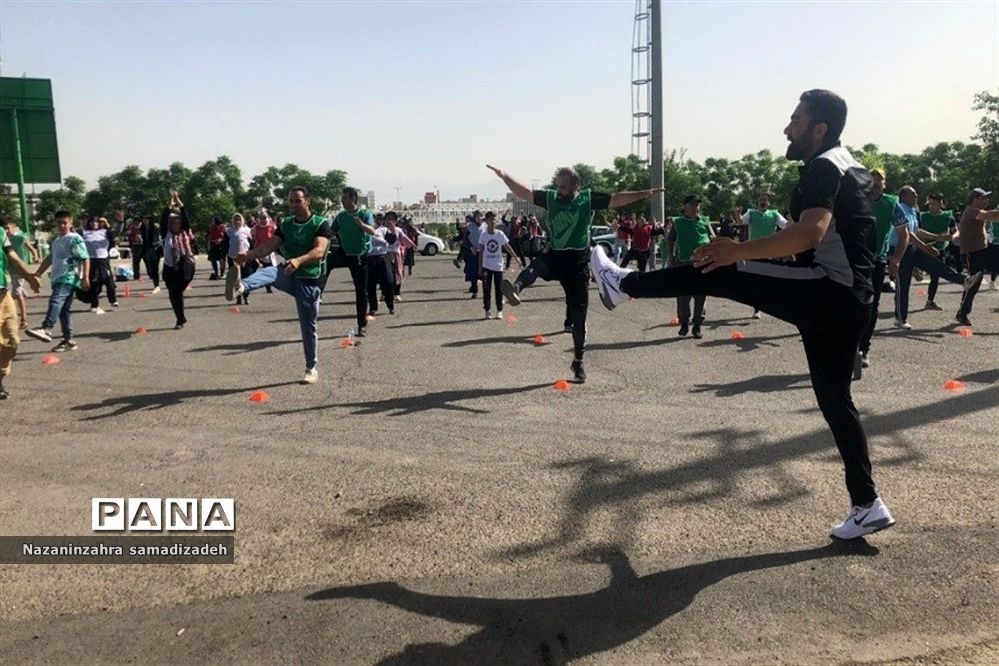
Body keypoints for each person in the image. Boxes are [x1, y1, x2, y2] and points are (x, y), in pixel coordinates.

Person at [590, 89, 895, 539]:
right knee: (836, 401)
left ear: (819, 129)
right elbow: (834, 234)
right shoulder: (853, 167)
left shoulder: (823, 167)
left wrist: (740, 250)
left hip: (829, 290)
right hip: (853, 303)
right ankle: (867, 504)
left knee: (722, 269)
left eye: (795, 120)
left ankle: (624, 286)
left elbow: (811, 233)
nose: (787, 128)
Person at [486, 163, 661, 383]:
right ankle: (516, 289)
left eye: (564, 187)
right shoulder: (551, 198)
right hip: (556, 256)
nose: (559, 190)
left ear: (575, 186)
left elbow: (616, 199)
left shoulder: (586, 199)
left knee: (579, 317)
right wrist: (504, 176)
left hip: (578, 263)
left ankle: (578, 361)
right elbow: (525, 193)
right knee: (539, 264)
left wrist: (644, 193)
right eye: (557, 185)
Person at [227, 186, 331, 384]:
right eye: (291, 201)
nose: (293, 204)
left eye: (297, 201)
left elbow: (319, 251)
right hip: (289, 273)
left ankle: (311, 368)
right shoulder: (286, 224)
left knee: (308, 326)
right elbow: (268, 247)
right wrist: (248, 255)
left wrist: (298, 260)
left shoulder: (320, 223)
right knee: (271, 272)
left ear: (307, 201)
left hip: (310, 280)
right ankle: (241, 287)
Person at [887, 186, 981, 329]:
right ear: (904, 196)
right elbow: (907, 234)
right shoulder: (900, 209)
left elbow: (917, 231)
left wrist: (936, 237)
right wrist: (925, 247)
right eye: (913, 194)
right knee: (903, 285)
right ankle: (900, 319)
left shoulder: (912, 211)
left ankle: (963, 281)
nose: (917, 196)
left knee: (935, 265)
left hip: (912, 248)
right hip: (900, 249)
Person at [25, 210, 91, 353]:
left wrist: (85, 277)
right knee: (63, 310)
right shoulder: (56, 241)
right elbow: (49, 259)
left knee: (55, 300)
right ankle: (69, 340)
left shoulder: (74, 238)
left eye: (64, 223)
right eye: (59, 223)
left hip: (68, 276)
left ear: (70, 223)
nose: (61, 226)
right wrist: (37, 274)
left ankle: (46, 328)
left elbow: (85, 257)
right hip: (57, 278)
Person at [857, 168, 898, 368]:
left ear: (884, 184)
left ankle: (864, 348)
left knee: (871, 305)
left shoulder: (892, 203)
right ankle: (850, 345)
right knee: (852, 302)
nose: (874, 184)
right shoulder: (857, 199)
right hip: (856, 258)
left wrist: (896, 259)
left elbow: (904, 233)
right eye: (871, 180)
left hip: (878, 260)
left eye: (878, 181)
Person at [0, 221, 42, 399]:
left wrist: (30, 277)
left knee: (12, 342)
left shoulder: (1, 232)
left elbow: (14, 258)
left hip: (3, 295)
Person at [330, 187, 376, 337]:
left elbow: (372, 231)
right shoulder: (341, 217)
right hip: (345, 253)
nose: (342, 201)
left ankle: (361, 324)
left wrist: (361, 225)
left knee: (360, 290)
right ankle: (317, 290)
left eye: (345, 198)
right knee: (327, 261)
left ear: (353, 199)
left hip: (360, 256)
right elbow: (331, 232)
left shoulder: (364, 214)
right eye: (342, 199)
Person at [669, 195, 714, 338]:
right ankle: (684, 324)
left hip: (703, 263)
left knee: (701, 296)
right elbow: (670, 240)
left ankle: (697, 326)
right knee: (683, 297)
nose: (696, 208)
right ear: (685, 206)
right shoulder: (678, 222)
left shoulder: (705, 221)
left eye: (697, 205)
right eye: (693, 205)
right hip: (684, 263)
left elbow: (713, 238)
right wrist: (671, 260)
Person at [740, 192, 789, 318]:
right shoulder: (751, 213)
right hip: (753, 252)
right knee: (755, 280)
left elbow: (786, 225)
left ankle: (769, 304)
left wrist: (794, 219)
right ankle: (757, 308)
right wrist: (737, 214)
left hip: (769, 251)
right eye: (761, 199)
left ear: (769, 203)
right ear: (757, 202)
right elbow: (741, 221)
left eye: (765, 200)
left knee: (768, 278)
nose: (762, 201)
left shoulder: (774, 214)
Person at [957, 187, 999, 316]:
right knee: (973, 282)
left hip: (981, 250)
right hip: (972, 251)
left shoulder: (976, 211)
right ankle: (962, 313)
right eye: (983, 198)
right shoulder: (972, 211)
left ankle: (962, 312)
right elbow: (992, 216)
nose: (986, 200)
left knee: (976, 280)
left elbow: (994, 217)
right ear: (975, 199)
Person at [160, 191, 196, 329]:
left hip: (186, 265)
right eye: (174, 222)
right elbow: (163, 220)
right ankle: (180, 319)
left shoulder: (184, 231)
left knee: (179, 290)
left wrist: (180, 203)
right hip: (171, 267)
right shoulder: (166, 233)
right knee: (174, 294)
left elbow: (186, 219)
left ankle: (180, 317)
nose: (176, 224)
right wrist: (169, 205)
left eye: (178, 222)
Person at [478, 211, 523, 319]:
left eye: (494, 219)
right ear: (486, 221)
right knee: (486, 289)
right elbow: (481, 252)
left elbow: (508, 247)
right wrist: (480, 267)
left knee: (499, 289)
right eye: (491, 220)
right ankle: (487, 310)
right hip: (486, 266)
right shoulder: (483, 235)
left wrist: (516, 258)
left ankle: (499, 310)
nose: (493, 222)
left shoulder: (500, 234)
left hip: (498, 266)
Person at [917, 193, 958, 310]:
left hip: (939, 250)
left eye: (933, 204)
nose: (930, 206)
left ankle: (930, 301)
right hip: (923, 247)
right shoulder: (922, 216)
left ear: (940, 204)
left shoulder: (948, 217)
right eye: (929, 203)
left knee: (935, 276)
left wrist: (950, 237)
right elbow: (916, 231)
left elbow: (955, 232)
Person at [81, 215, 118, 313]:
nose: (94, 224)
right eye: (92, 222)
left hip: (103, 260)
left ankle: (113, 300)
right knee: (94, 285)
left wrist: (120, 222)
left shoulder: (105, 232)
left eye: (96, 222)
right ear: (89, 223)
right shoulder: (84, 233)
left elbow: (117, 231)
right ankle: (94, 305)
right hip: (92, 261)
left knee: (109, 283)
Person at [226, 214, 253, 304]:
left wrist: (253, 255)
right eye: (235, 220)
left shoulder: (247, 230)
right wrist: (223, 256)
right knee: (236, 278)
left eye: (239, 220)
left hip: (246, 257)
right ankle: (238, 297)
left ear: (242, 221)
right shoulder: (229, 231)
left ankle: (246, 296)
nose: (237, 222)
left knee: (247, 277)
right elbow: (225, 244)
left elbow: (251, 243)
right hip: (233, 257)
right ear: (233, 221)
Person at [252, 212, 277, 294]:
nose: (263, 220)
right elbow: (252, 237)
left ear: (267, 218)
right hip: (258, 250)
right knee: (252, 269)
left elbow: (276, 238)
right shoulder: (255, 228)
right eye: (261, 218)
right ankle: (248, 284)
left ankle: (268, 287)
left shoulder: (272, 227)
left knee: (268, 270)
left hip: (268, 251)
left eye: (264, 218)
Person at [140, 214, 162, 294]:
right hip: (148, 250)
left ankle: (157, 286)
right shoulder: (142, 228)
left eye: (147, 219)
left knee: (155, 268)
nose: (145, 220)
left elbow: (158, 236)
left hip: (156, 249)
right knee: (152, 268)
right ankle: (156, 285)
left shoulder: (155, 227)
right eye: (143, 219)